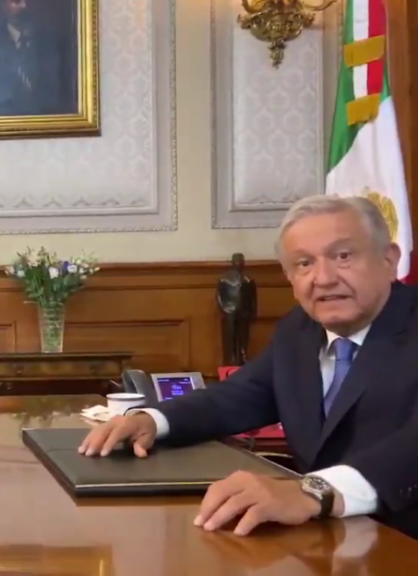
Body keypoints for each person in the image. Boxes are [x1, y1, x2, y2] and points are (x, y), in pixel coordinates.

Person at [79, 194, 418, 539]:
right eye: (304, 263)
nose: (324, 278)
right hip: (330, 540)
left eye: (343, 256)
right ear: (290, 277)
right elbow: (240, 395)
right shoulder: (299, 330)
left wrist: (313, 492)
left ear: (389, 260)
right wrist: (152, 419)